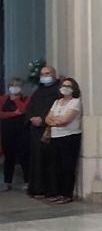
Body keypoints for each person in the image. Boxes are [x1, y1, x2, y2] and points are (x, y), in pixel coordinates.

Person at [45, 77, 83, 203]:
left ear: (73, 89)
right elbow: (47, 119)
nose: (64, 88)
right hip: (55, 137)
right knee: (56, 167)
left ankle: (67, 194)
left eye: (68, 86)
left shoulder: (75, 102)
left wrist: (55, 120)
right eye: (63, 85)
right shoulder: (57, 102)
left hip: (70, 137)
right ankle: (57, 192)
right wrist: (57, 120)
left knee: (67, 167)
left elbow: (65, 120)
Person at [26, 64, 61, 199]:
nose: (44, 77)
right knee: (36, 160)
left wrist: (43, 119)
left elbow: (55, 109)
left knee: (50, 161)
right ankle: (37, 188)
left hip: (49, 129)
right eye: (42, 74)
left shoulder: (57, 92)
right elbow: (30, 107)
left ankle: (50, 190)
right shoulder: (38, 91)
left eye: (47, 74)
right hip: (35, 131)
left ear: (53, 75)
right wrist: (31, 118)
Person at [0, 77, 30, 191]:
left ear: (21, 88)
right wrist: (13, 113)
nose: (14, 87)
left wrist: (16, 100)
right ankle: (7, 182)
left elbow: (23, 110)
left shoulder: (26, 98)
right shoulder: (3, 99)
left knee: (24, 156)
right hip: (7, 132)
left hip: (22, 132)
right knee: (9, 157)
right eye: (12, 85)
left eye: (16, 85)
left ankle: (27, 181)